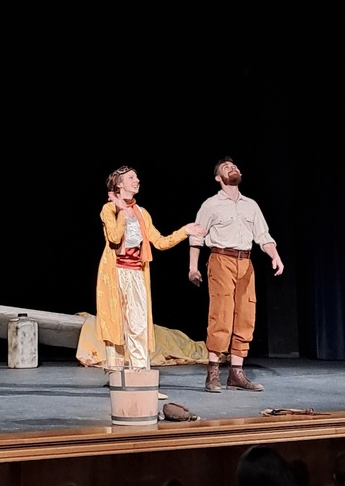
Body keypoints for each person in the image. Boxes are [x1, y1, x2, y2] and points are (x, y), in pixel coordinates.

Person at [96, 165, 206, 384]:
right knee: (115, 325)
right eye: (131, 178)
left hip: (136, 273)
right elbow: (115, 238)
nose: (137, 180)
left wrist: (185, 231)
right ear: (119, 184)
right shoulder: (108, 209)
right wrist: (122, 212)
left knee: (138, 325)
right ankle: (116, 378)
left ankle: (140, 378)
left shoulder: (142, 213)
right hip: (115, 273)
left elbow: (160, 242)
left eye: (136, 177)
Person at [188, 156, 284, 392]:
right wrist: (193, 267)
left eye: (234, 166)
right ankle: (213, 373)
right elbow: (197, 237)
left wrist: (275, 256)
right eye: (226, 167)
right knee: (221, 314)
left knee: (246, 314)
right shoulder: (211, 204)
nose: (232, 168)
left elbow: (263, 235)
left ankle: (236, 373)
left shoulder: (251, 205)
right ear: (218, 178)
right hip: (221, 259)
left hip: (246, 262)